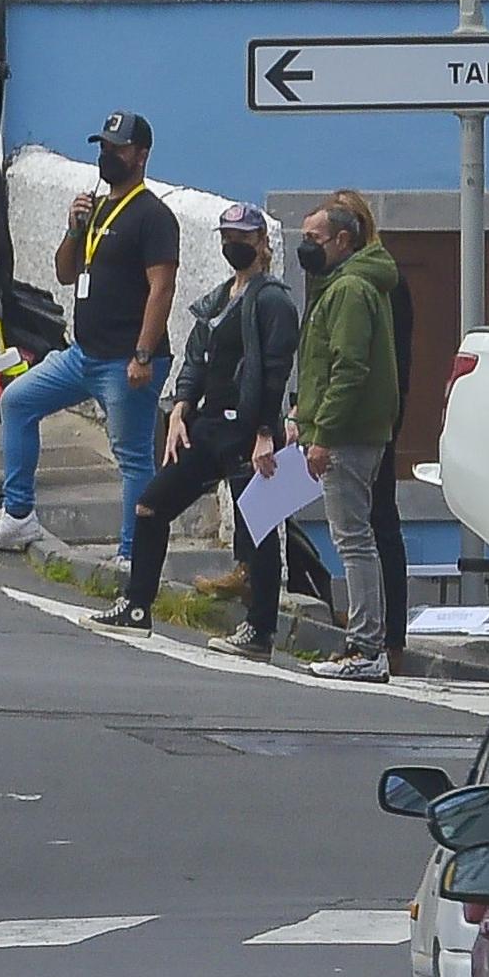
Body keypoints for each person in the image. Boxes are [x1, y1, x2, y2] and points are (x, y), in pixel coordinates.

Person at [84, 204, 299, 656]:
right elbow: (196, 360)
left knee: (258, 530)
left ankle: (260, 630)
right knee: (151, 506)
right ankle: (137, 605)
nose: (232, 245)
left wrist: (265, 432)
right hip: (208, 426)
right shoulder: (219, 300)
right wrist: (181, 407)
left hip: (249, 431)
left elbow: (276, 371)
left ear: (262, 243)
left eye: (242, 237)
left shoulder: (274, 300)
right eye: (226, 236)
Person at [0, 110, 180, 560]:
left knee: (132, 457)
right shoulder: (98, 209)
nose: (107, 155)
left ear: (140, 156)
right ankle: (18, 515)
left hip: (126, 360)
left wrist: (143, 354)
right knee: (17, 400)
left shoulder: (153, 216)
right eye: (103, 147)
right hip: (82, 355)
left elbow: (162, 287)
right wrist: (73, 228)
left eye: (117, 149)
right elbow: (66, 273)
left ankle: (132, 555)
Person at [291, 199, 400, 683]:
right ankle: (364, 644)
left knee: (354, 541)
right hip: (346, 433)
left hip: (348, 437)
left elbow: (349, 368)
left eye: (313, 239)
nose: (304, 247)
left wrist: (325, 434)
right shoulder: (339, 286)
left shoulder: (350, 290)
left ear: (342, 240)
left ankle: (364, 647)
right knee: (356, 538)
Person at [328, 189, 414, 671]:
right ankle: (377, 630)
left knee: (373, 526)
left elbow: (384, 360)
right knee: (367, 526)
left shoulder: (376, 284)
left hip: (369, 421)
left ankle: (384, 636)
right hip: (360, 418)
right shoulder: (343, 281)